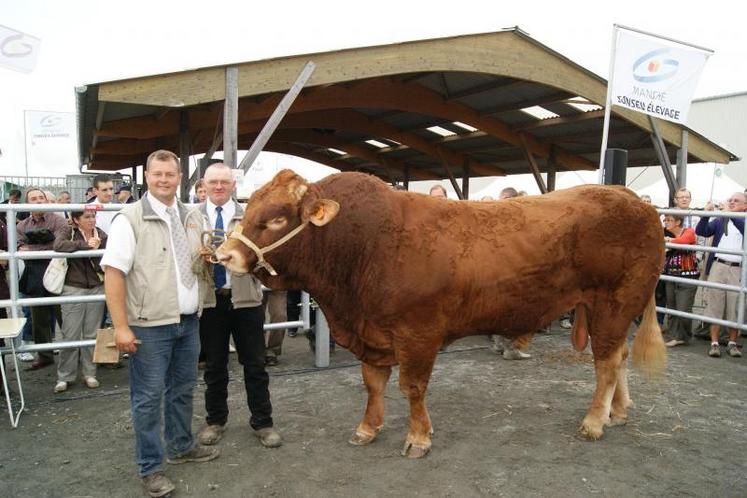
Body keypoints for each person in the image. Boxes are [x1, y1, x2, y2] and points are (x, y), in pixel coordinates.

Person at [101, 149, 218, 498]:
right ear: (147, 177)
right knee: (148, 398)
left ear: (179, 177)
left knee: (182, 390)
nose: (164, 180)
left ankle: (181, 446)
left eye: (170, 174)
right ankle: (151, 467)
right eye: (157, 174)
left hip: (187, 321)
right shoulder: (130, 218)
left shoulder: (193, 216)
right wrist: (121, 327)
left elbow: (198, 261)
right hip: (149, 325)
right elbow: (113, 274)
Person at [196, 162, 282, 450]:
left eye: (224, 181)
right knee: (215, 365)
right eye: (213, 182)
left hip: (246, 300)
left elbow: (267, 255)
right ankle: (215, 421)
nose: (218, 187)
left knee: (255, 363)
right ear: (204, 184)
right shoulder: (192, 218)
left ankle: (263, 421)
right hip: (210, 301)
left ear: (233, 185)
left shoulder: (250, 218)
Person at [52, 210, 107, 392]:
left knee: (92, 333)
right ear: (76, 220)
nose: (92, 220)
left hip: (96, 287)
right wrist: (85, 245)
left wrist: (97, 249)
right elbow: (58, 245)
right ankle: (64, 376)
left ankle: (90, 373)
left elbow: (110, 255)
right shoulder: (68, 231)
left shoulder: (101, 234)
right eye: (87, 217)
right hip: (73, 287)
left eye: (93, 217)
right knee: (71, 333)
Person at [16, 188, 67, 370]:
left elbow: (59, 245)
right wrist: (44, 247)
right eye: (33, 199)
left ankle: (73, 355)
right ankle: (45, 356)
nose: (38, 201)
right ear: (27, 203)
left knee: (65, 317)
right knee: (39, 319)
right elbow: (20, 248)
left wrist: (33, 249)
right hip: (34, 273)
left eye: (41, 198)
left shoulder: (58, 220)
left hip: (58, 272)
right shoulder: (22, 225)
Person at [695, 192, 747, 358]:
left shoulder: (742, 219)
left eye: (736, 201)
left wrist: (728, 214)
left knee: (735, 305)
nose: (731, 202)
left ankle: (732, 342)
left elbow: (743, 228)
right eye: (729, 200)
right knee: (714, 304)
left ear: (745, 206)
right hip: (718, 265)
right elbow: (702, 231)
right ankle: (714, 342)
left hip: (738, 269)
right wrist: (706, 214)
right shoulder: (721, 219)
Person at [661, 214, 699, 347]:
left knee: (683, 309)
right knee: (671, 308)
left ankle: (685, 335)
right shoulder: (665, 233)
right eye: (665, 220)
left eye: (669, 220)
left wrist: (667, 240)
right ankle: (674, 336)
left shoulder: (688, 232)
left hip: (687, 275)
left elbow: (683, 241)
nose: (666, 222)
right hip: (670, 274)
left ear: (678, 222)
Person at [264, 290, 287, 366]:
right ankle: (258, 349)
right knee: (256, 315)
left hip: (277, 280)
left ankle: (273, 349)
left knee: (280, 315)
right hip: (255, 280)